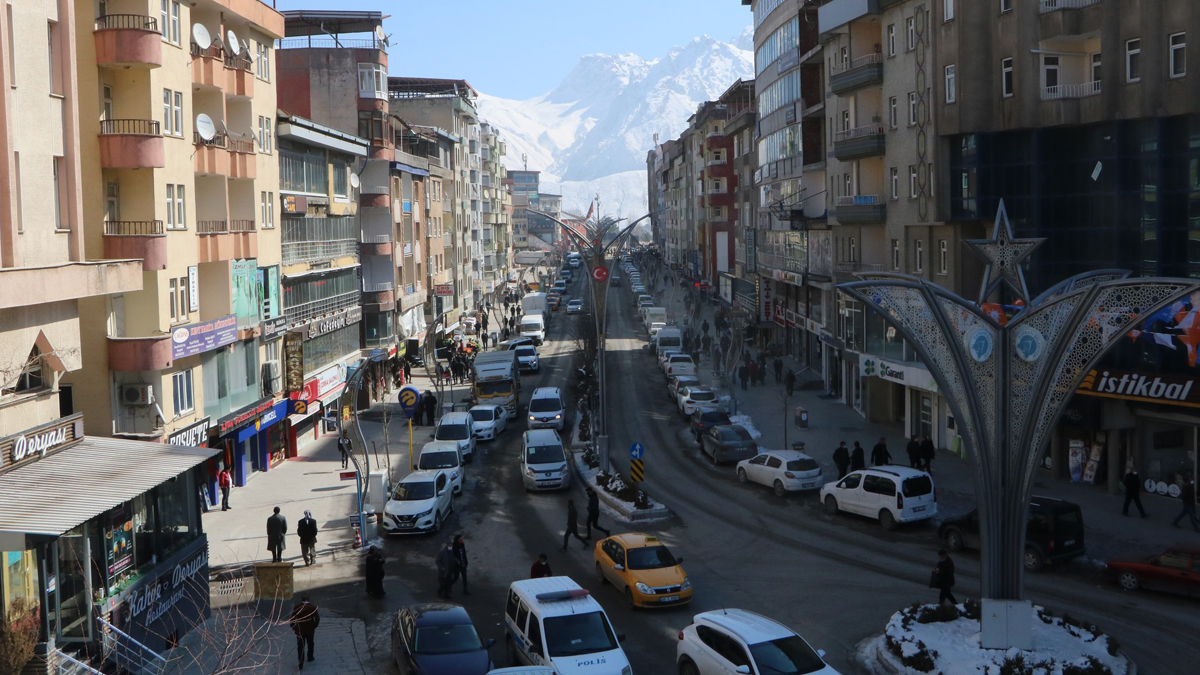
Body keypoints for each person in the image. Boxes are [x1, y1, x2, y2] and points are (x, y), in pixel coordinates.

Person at [289, 595, 320, 670]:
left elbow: (292, 619)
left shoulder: (297, 607)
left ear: (301, 599)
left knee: (300, 646)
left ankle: (300, 662)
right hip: (310, 629)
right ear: (309, 599)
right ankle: (310, 657)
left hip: (300, 630)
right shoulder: (313, 607)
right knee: (310, 643)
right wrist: (313, 627)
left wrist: (294, 627)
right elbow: (317, 619)